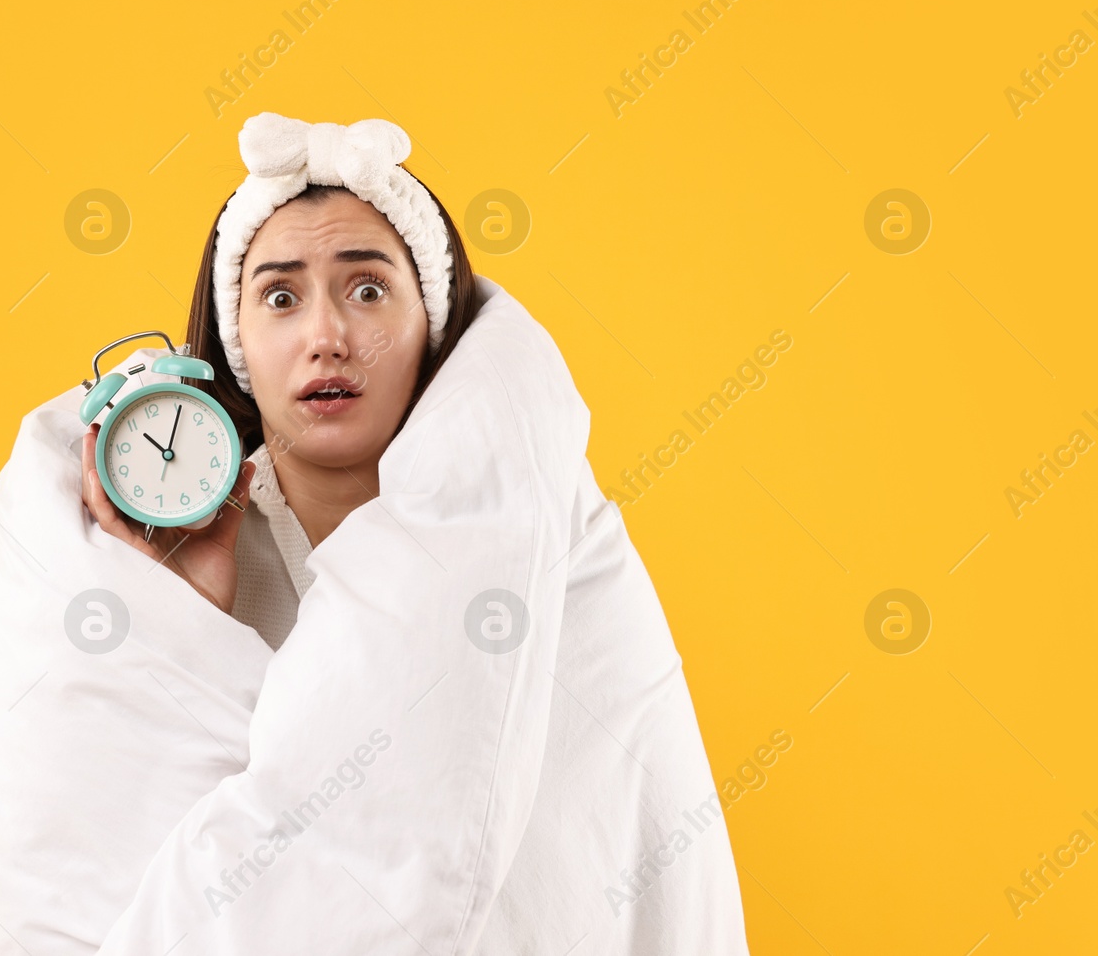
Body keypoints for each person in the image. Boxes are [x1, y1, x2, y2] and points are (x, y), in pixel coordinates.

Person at [71, 111, 750, 953]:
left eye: (368, 290)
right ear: (236, 345)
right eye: (280, 297)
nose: (327, 337)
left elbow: (601, 832)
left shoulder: (538, 526)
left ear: (433, 328)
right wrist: (199, 613)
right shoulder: (202, 541)